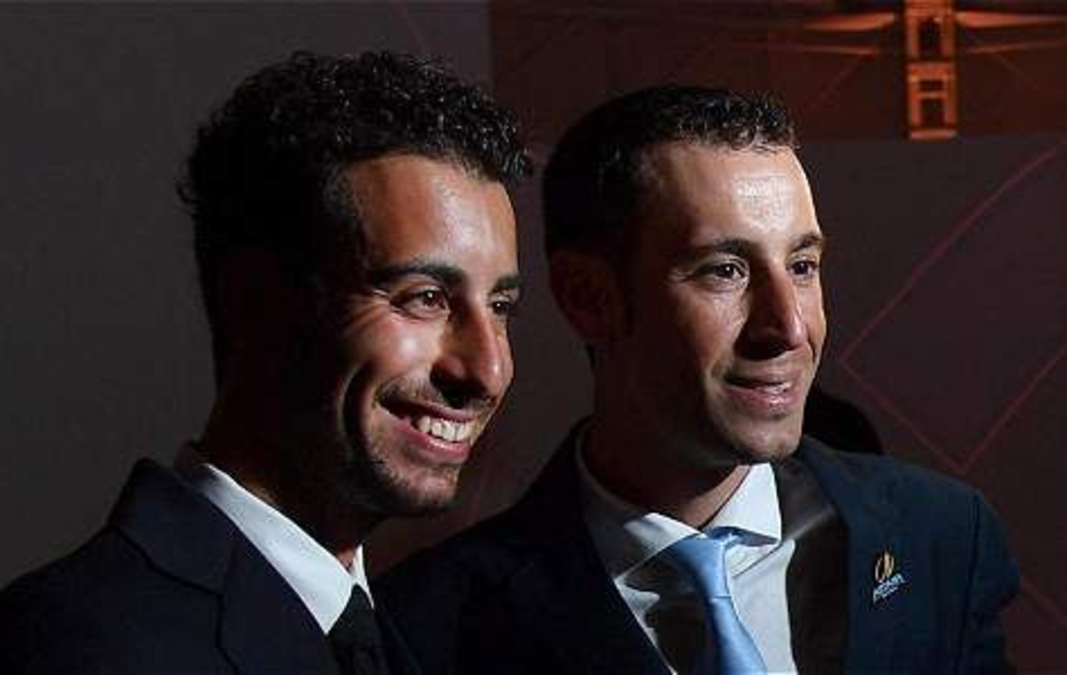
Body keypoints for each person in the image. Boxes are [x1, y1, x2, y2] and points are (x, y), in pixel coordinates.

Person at [378, 84, 1018, 673]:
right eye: (724, 271)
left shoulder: (938, 537)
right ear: (588, 297)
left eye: (802, 265)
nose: (789, 327)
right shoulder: (434, 627)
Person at [0, 51, 531, 674]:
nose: (487, 370)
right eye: (425, 299)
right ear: (254, 299)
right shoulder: (68, 647)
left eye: (500, 306)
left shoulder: (406, 642)